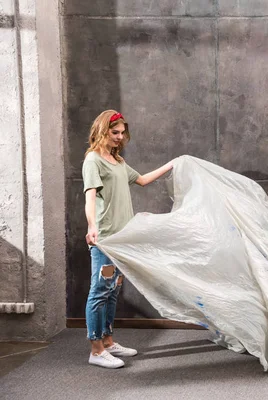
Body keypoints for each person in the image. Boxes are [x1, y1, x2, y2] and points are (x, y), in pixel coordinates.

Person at [83, 110, 174, 368]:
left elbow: (143, 180)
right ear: (103, 131)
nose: (120, 137)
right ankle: (96, 350)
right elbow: (90, 197)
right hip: (106, 238)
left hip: (124, 238)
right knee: (99, 291)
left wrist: (172, 164)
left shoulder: (118, 162)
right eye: (115, 133)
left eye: (122, 133)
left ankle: (109, 342)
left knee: (112, 292)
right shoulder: (93, 161)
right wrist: (91, 226)